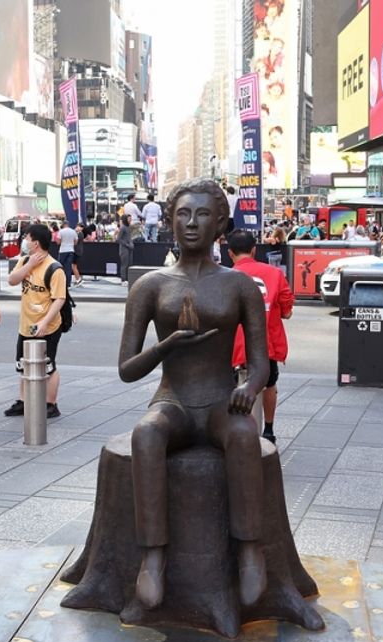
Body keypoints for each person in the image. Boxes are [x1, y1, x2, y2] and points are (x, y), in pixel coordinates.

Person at [120, 179, 270, 610]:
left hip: (223, 399)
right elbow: (127, 370)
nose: (191, 223)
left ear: (221, 223)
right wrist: (169, 344)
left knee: (244, 436)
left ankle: (249, 551)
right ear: (169, 220)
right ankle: (152, 557)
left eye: (203, 214)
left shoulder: (238, 286)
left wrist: (248, 386)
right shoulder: (150, 285)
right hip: (175, 400)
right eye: (183, 214)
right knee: (146, 435)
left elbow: (260, 361)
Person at [226, 230, 292, 443]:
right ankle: (269, 431)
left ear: (229, 253)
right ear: (254, 250)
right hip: (266, 344)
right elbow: (287, 312)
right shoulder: (275, 274)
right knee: (269, 384)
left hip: (236, 346)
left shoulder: (224, 277)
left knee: (233, 386)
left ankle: (237, 430)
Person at [2, 224, 67, 420]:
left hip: (48, 326)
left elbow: (59, 299)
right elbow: (12, 280)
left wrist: (45, 323)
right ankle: (23, 401)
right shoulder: (24, 261)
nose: (25, 241)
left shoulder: (55, 268)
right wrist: (29, 266)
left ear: (36, 243)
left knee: (49, 366)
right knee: (23, 363)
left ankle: (51, 403)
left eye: (27, 238)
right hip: (26, 324)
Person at [56, 221, 80, 289]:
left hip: (63, 250)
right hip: (71, 250)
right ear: (68, 224)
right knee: (68, 268)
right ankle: (68, 284)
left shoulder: (61, 231)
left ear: (63, 225)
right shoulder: (73, 231)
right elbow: (76, 242)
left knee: (59, 267)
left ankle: (59, 283)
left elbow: (58, 242)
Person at [117, 215, 136, 282]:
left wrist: (131, 243)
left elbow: (130, 237)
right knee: (124, 264)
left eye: (131, 219)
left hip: (130, 248)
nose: (130, 220)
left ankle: (128, 279)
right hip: (124, 249)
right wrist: (127, 244)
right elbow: (118, 239)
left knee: (129, 264)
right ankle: (123, 279)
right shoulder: (123, 228)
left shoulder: (129, 227)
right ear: (126, 220)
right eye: (129, 219)